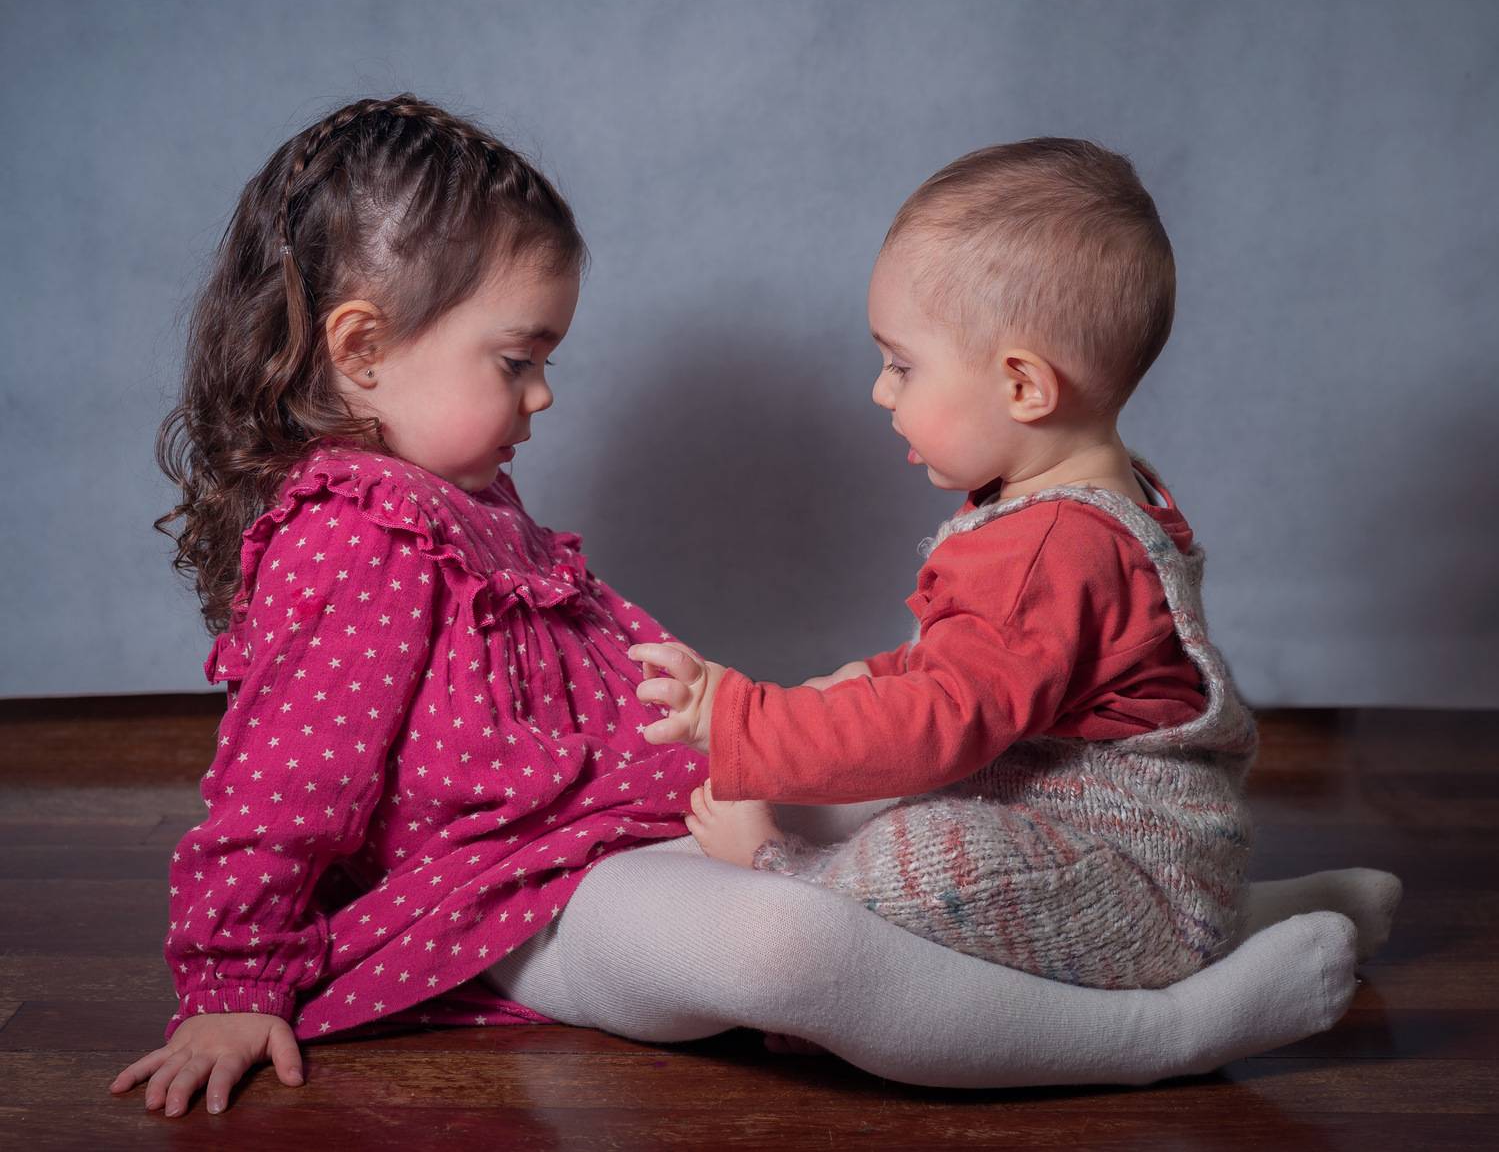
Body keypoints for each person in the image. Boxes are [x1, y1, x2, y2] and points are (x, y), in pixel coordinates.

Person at [111, 100, 1390, 1119]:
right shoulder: (350, 536)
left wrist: (771, 725)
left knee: (924, 802)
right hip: (504, 898)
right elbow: (281, 787)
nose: (543, 396)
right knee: (789, 945)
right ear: (361, 350)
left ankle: (1192, 917)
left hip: (611, 820)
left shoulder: (452, 494)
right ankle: (1162, 1029)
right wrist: (229, 980)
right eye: (518, 361)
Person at [629, 138, 1402, 992]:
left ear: (1023, 387)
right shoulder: (1100, 499)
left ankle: (1180, 1008)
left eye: (902, 365)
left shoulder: (1047, 548)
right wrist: (865, 681)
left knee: (922, 852)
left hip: (1121, 868)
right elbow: (993, 667)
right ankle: (1235, 917)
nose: (882, 391)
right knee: (874, 764)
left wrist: (739, 720)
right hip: (1136, 857)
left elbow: (938, 725)